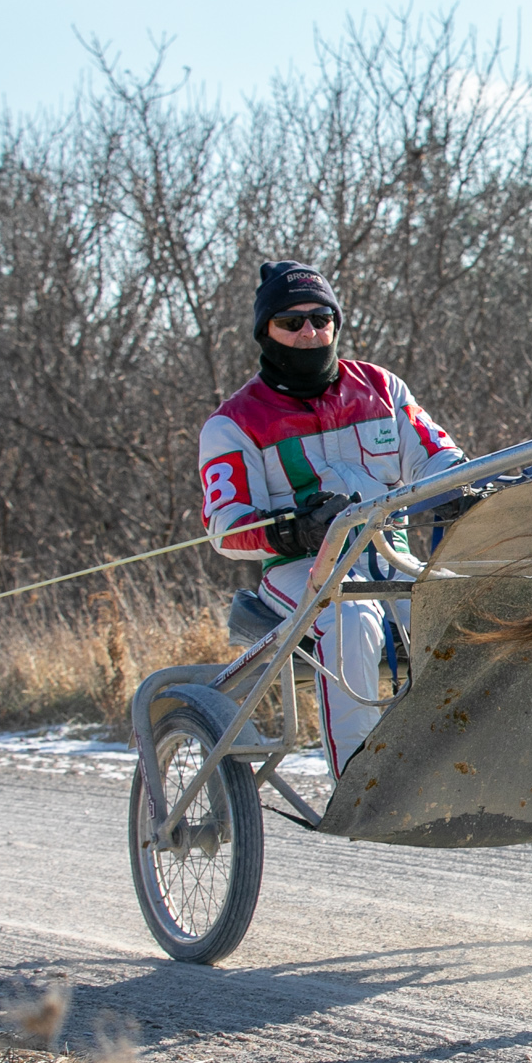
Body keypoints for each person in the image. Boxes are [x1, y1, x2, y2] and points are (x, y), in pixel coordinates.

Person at [199, 260, 467, 777]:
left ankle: (452, 763)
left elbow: (439, 458)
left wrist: (469, 487)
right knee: (351, 617)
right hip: (301, 569)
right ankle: (360, 780)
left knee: (453, 606)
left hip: (390, 555)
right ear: (266, 332)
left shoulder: (383, 389)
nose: (310, 332)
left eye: (321, 318)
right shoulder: (233, 423)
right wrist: (294, 526)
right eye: (292, 322)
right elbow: (224, 527)